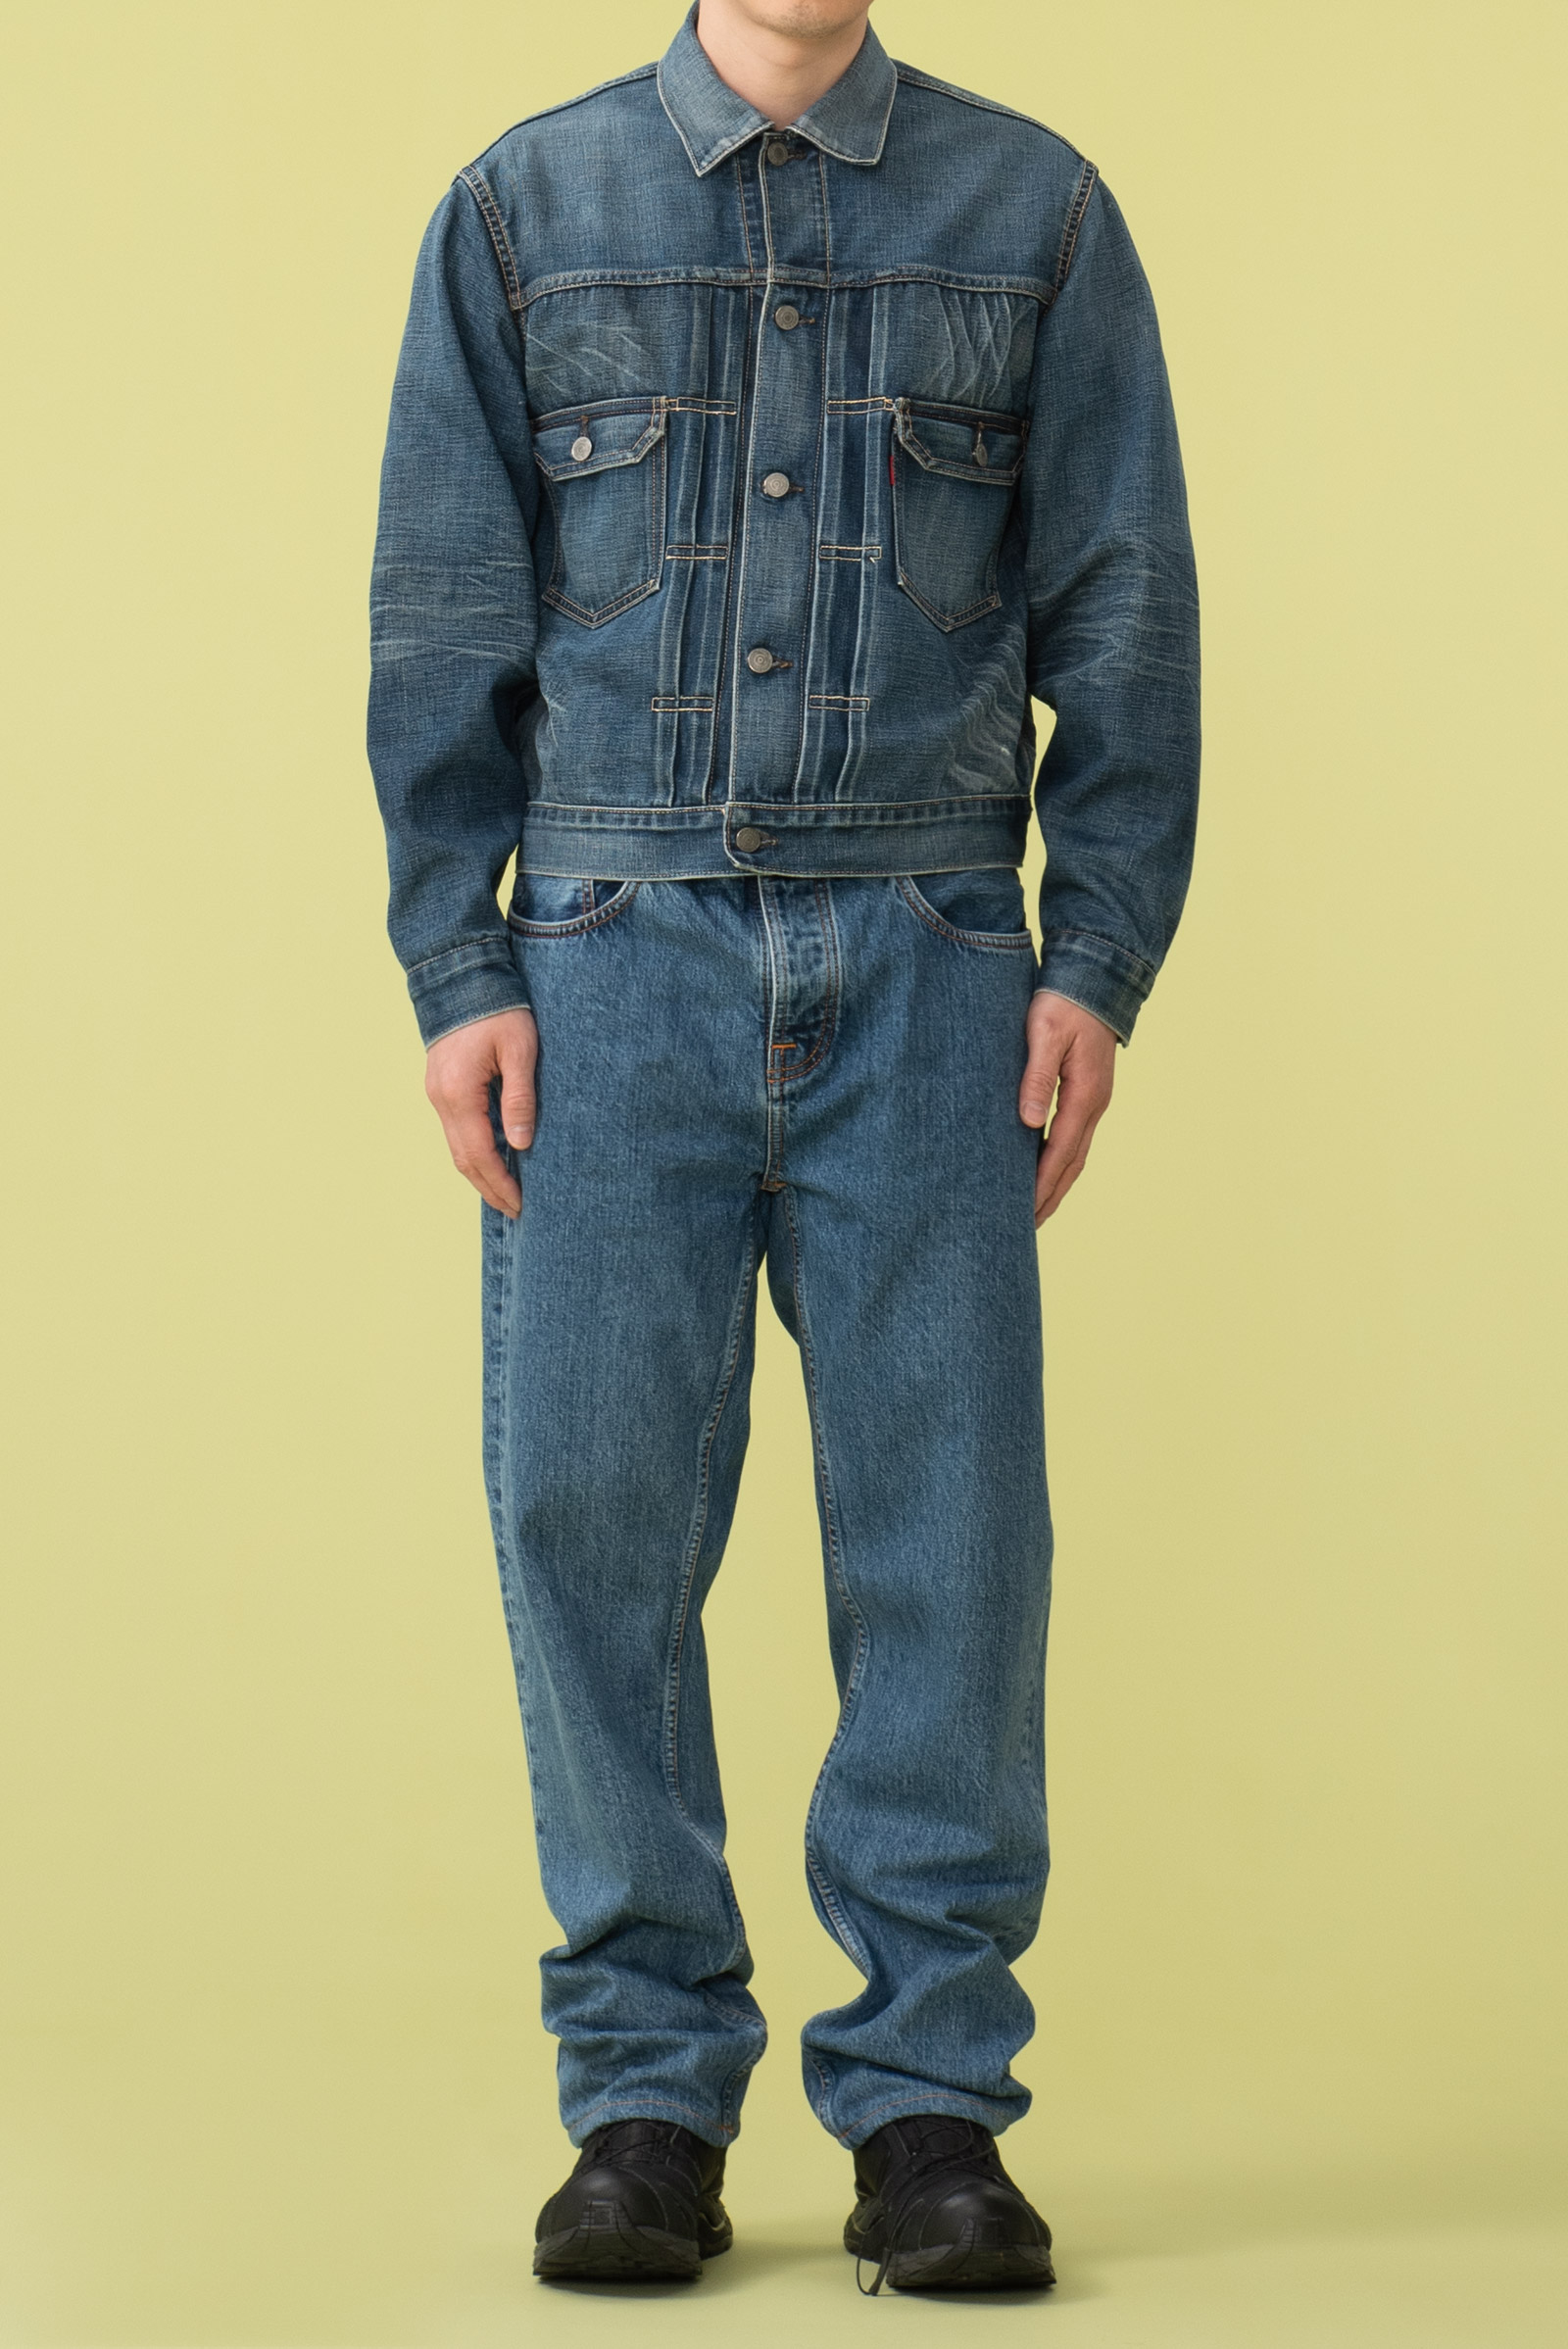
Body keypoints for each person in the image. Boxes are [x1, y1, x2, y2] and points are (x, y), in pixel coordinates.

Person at [368, 0, 1198, 2295]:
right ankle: (644, 2094)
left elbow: (1122, 607)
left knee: (951, 1529)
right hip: (605, 959)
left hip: (930, 953)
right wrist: (458, 963)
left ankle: (930, 2101)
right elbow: (442, 617)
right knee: (590, 1517)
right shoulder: (522, 212)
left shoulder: (1029, 212)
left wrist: (1091, 952)